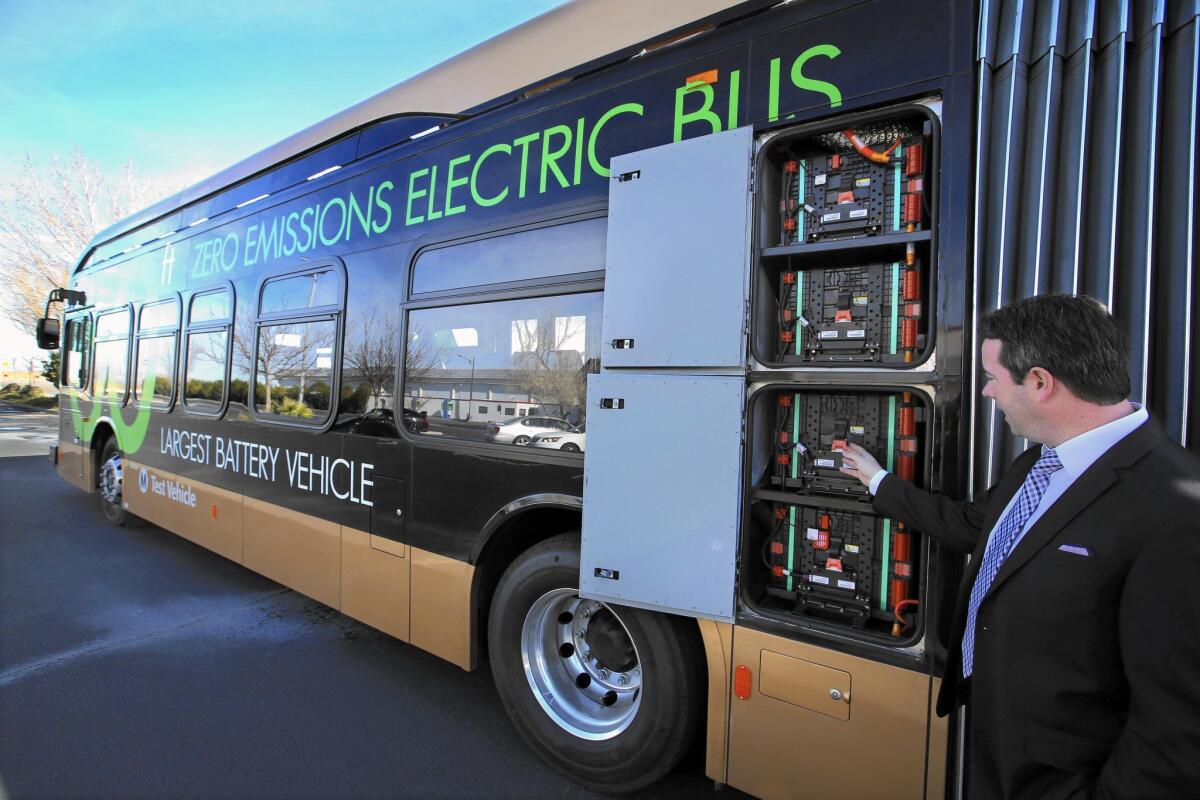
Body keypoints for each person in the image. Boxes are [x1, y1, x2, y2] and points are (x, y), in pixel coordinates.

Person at [839, 294, 1200, 799]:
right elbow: (969, 527)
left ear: (1039, 382)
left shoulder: (1176, 508)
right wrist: (878, 480)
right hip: (1000, 750)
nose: (987, 392)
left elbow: (1176, 730)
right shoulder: (1037, 467)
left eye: (993, 377)